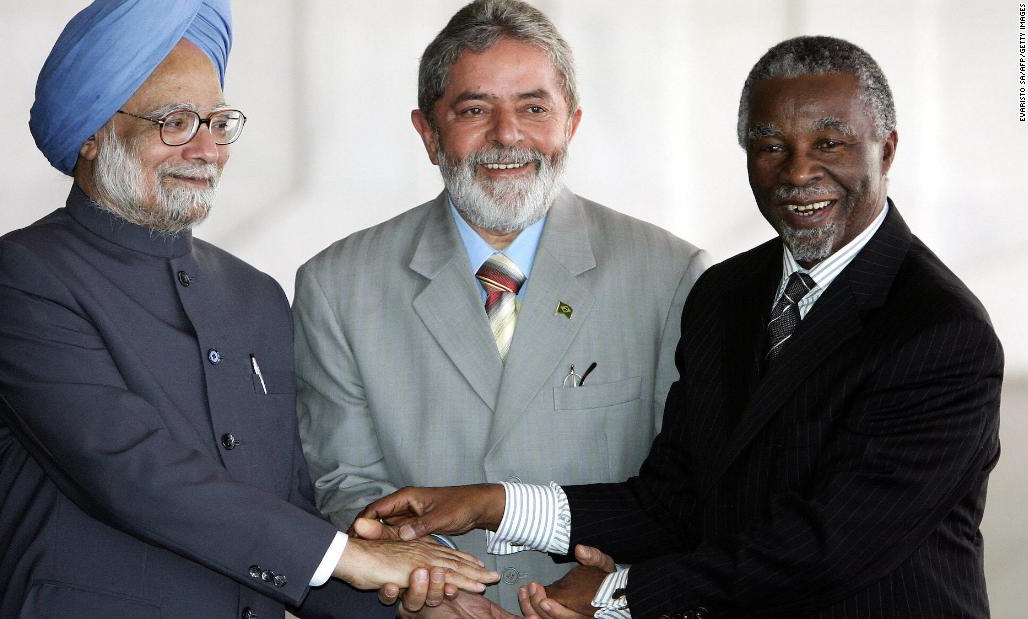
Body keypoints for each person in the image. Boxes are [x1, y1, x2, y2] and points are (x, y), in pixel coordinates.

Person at [357, 36, 1004, 618]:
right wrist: (493, 504)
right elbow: (675, 499)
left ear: (886, 148)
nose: (799, 170)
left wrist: (619, 595)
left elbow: (829, 545)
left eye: (829, 142)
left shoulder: (940, 332)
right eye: (771, 144)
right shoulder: (725, 293)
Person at [0, 2, 496, 618]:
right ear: (91, 132)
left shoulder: (254, 294)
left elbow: (292, 509)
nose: (207, 149)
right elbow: (130, 470)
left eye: (218, 122)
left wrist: (417, 603)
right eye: (176, 121)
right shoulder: (22, 277)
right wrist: (353, 557)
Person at [291, 0, 706, 614]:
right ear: (428, 133)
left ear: (572, 123)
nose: (507, 134)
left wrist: (617, 587)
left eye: (534, 108)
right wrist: (428, 587)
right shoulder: (335, 284)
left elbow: (692, 489)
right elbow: (345, 482)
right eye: (475, 109)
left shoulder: (673, 276)